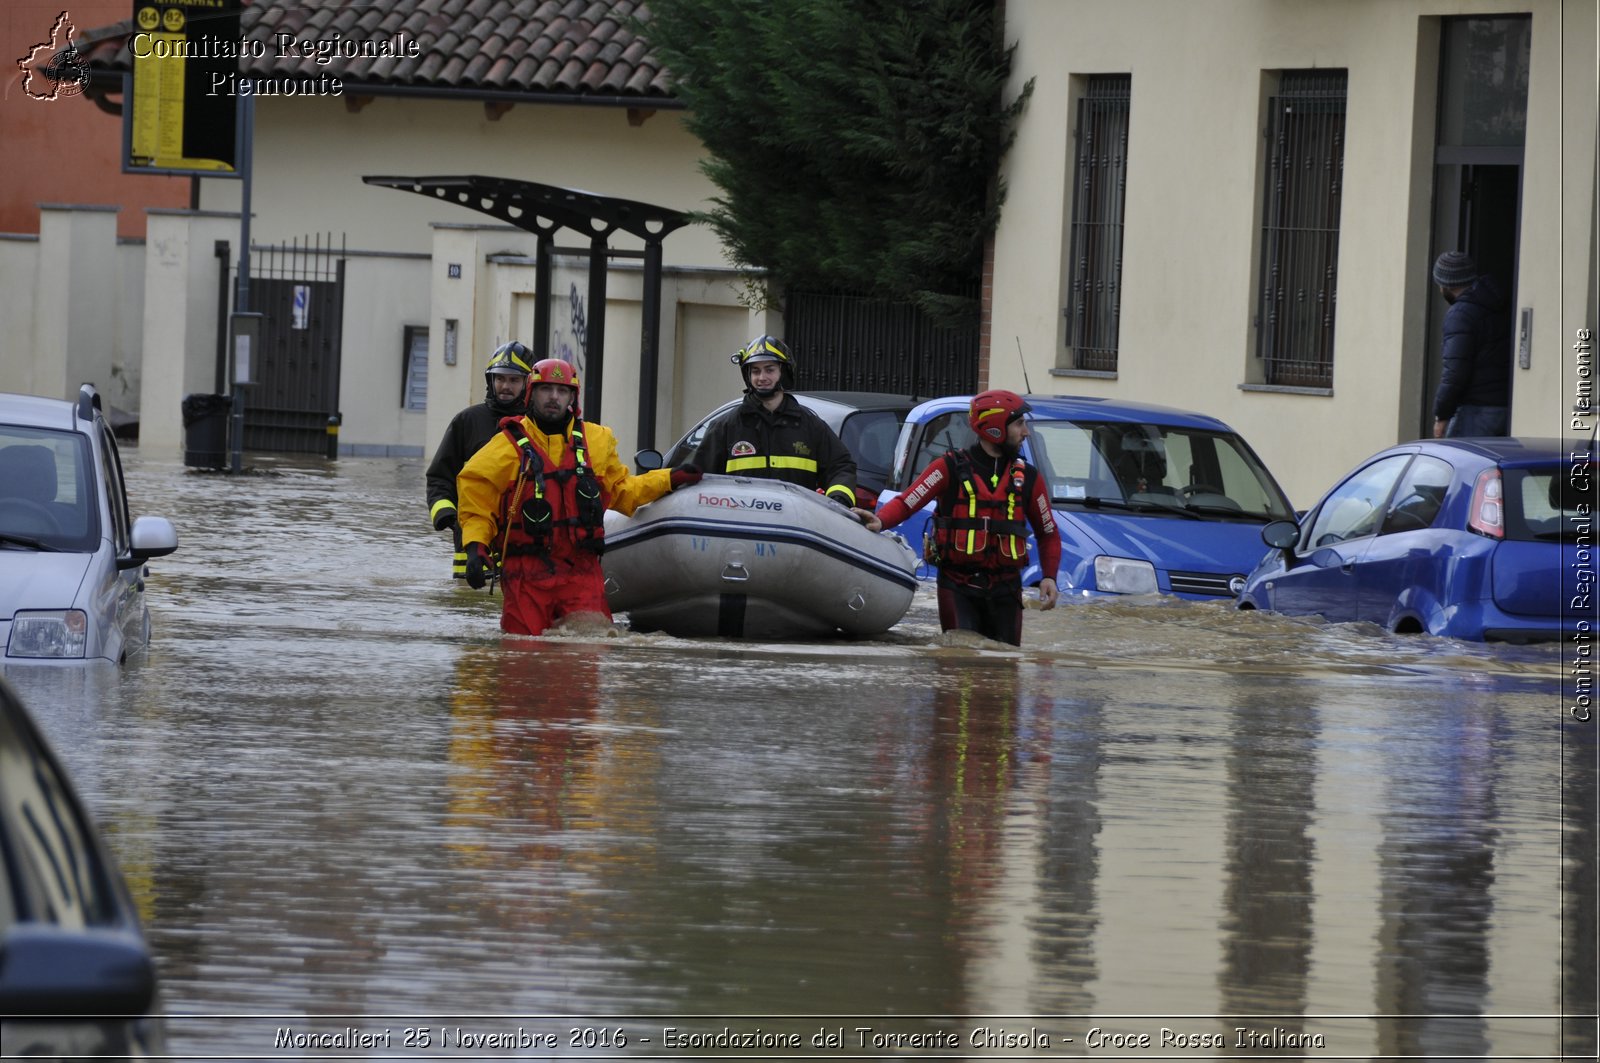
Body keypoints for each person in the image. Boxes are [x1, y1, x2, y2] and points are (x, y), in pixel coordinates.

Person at [455, 358, 703, 635]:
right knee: (521, 660)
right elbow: (477, 502)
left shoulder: (598, 441)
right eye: (546, 389)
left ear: (573, 397)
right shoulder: (503, 448)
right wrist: (475, 546)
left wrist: (669, 479)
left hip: (581, 573)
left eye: (562, 391)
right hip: (525, 577)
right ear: (531, 393)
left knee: (588, 656)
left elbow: (623, 491)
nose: (553, 397)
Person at [859, 390, 1061, 645]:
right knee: (959, 672)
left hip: (1006, 591)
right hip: (957, 587)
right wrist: (880, 521)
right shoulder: (948, 467)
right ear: (995, 427)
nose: (1026, 432)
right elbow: (908, 501)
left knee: (1006, 676)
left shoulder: (1029, 477)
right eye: (1019, 423)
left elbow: (1048, 533)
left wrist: (1049, 576)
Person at [690, 334, 859, 508]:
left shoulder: (810, 425)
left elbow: (840, 466)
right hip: (740, 527)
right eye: (755, 371)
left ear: (784, 373)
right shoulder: (726, 426)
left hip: (796, 526)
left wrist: (839, 498)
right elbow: (700, 478)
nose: (762, 377)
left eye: (769, 370)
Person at [425, 341, 533, 579]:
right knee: (468, 606)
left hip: (524, 543)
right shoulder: (467, 421)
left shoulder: (539, 424)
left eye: (514, 380)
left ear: (528, 383)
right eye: (500, 378)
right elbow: (439, 476)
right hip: (471, 546)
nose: (505, 386)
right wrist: (449, 517)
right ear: (490, 381)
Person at [1430, 250, 1511, 438]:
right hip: (1504, 406)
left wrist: (1442, 415)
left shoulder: (1460, 315)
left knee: (1461, 463)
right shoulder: (1498, 304)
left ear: (1445, 284)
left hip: (1476, 410)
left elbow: (1454, 372)